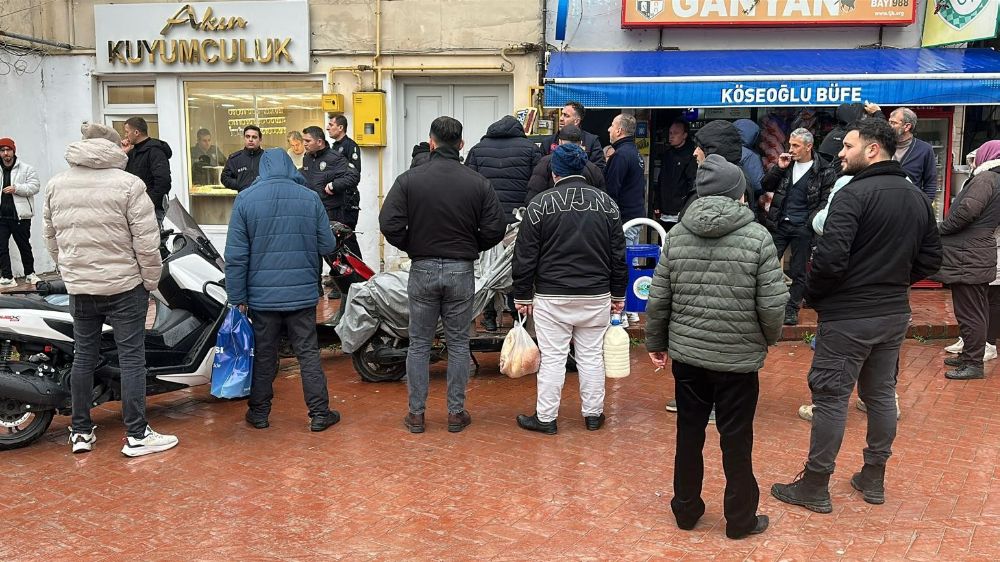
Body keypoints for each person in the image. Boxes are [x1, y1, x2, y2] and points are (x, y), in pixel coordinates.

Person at [771, 119, 941, 514]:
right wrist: (893, 281)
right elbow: (932, 259)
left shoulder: (852, 196)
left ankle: (815, 485)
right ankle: (873, 475)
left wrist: (816, 295)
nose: (841, 154)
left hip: (849, 315)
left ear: (873, 149)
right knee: (880, 394)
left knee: (831, 398)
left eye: (848, 146)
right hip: (892, 313)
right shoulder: (916, 197)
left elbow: (828, 260)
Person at [646, 154, 787, 539]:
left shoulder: (676, 235)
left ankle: (686, 510)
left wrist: (656, 343)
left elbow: (659, 299)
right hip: (739, 361)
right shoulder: (758, 237)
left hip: (689, 357)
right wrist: (766, 339)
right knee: (736, 439)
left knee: (688, 433)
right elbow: (773, 305)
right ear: (738, 193)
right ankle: (740, 520)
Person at [44, 122, 177, 456]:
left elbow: (51, 237)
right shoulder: (129, 185)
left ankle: (80, 431)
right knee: (132, 358)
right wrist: (150, 281)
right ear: (116, 147)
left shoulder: (56, 184)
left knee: (84, 357)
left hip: (81, 287)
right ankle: (136, 434)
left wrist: (70, 271)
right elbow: (147, 243)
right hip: (125, 286)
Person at [379, 116, 505, 434]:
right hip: (461, 269)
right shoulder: (477, 182)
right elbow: (496, 227)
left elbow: (389, 222)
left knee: (419, 343)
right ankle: (455, 412)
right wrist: (471, 244)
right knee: (459, 343)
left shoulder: (410, 180)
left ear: (431, 142)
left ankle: (417, 414)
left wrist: (413, 244)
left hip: (422, 268)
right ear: (461, 144)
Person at [512, 144, 627, 435]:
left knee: (553, 358)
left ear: (554, 172)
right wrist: (618, 294)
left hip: (552, 295)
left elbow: (525, 255)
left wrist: (522, 295)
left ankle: (546, 418)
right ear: (584, 169)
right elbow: (617, 254)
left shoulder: (539, 205)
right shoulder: (607, 204)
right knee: (590, 355)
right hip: (596, 293)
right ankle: (593, 415)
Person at [225, 148, 341, 432]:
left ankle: (260, 413)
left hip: (262, 299)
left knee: (265, 355)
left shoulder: (246, 199)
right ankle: (319, 413)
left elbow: (236, 256)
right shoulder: (310, 198)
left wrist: (237, 297)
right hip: (301, 296)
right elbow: (327, 245)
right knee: (308, 354)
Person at [465, 114, 542, 331]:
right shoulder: (530, 149)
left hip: (487, 222)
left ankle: (488, 317)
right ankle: (518, 315)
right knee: (518, 267)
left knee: (488, 269)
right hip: (519, 222)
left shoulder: (478, 149)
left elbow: (470, 185)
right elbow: (537, 184)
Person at [931, 140, 1000, 380]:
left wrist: (941, 228)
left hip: (968, 255)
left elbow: (967, 210)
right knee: (977, 311)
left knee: (970, 312)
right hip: (976, 253)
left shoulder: (986, 179)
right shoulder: (994, 180)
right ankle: (970, 356)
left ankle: (973, 363)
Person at [761, 128, 837, 326]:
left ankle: (792, 308)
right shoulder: (786, 165)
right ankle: (765, 304)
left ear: (809, 146)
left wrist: (810, 222)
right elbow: (766, 185)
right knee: (766, 263)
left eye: (796, 145)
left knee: (798, 270)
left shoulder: (824, 170)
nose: (791, 149)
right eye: (790, 144)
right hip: (779, 223)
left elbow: (825, 200)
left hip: (803, 226)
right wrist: (778, 167)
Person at [301, 125, 361, 270]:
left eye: (308, 141)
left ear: (319, 142)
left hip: (331, 211)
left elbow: (353, 176)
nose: (304, 144)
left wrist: (334, 185)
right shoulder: (307, 159)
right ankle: (317, 285)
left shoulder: (334, 158)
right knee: (313, 249)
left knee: (335, 249)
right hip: (311, 211)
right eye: (304, 140)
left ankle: (345, 283)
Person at [524, 125, 605, 203]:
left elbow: (533, 196)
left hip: (552, 213)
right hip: (585, 213)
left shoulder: (546, 163)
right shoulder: (592, 168)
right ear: (580, 143)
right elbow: (602, 199)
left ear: (559, 142)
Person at [0, 138, 40, 286]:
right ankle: (7, 277)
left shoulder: (26, 169)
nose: (5, 153)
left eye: (8, 150)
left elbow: (35, 186)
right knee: (1, 247)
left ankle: (30, 273)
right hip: (1, 217)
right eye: (2, 150)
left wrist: (16, 188)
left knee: (24, 246)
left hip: (20, 216)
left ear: (13, 151)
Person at [122, 116, 172, 222]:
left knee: (151, 238)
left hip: (150, 209)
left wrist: (148, 203)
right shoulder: (132, 152)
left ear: (136, 132)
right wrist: (123, 154)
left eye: (127, 132)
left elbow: (163, 182)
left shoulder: (155, 151)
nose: (125, 136)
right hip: (134, 208)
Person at [651, 119, 697, 232]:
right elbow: (661, 181)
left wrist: (685, 206)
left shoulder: (691, 155)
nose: (671, 136)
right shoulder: (667, 155)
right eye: (670, 133)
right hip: (664, 211)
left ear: (685, 135)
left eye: (676, 133)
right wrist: (656, 204)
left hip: (681, 211)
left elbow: (692, 183)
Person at [327, 115, 363, 253]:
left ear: (340, 127)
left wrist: (334, 185)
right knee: (337, 238)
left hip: (348, 199)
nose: (328, 128)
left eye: (331, 124)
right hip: (336, 199)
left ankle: (359, 273)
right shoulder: (334, 147)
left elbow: (354, 174)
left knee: (347, 237)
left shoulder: (350, 146)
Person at [889, 107, 938, 202]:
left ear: (907, 126)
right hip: (885, 204)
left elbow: (930, 183)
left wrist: (924, 207)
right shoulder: (884, 145)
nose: (889, 126)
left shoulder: (924, 149)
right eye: (889, 122)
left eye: (893, 123)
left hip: (911, 206)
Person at [540, 101, 606, 169]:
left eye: (566, 116)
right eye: (562, 114)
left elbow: (598, 170)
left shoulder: (592, 141)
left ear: (576, 121)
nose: (561, 118)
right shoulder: (547, 142)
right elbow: (541, 170)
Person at [221, 125, 264, 192]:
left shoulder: (267, 158)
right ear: (244, 138)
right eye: (247, 136)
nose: (250, 139)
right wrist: (240, 184)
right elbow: (225, 178)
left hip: (264, 197)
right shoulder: (235, 159)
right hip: (243, 198)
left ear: (260, 139)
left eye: (254, 137)